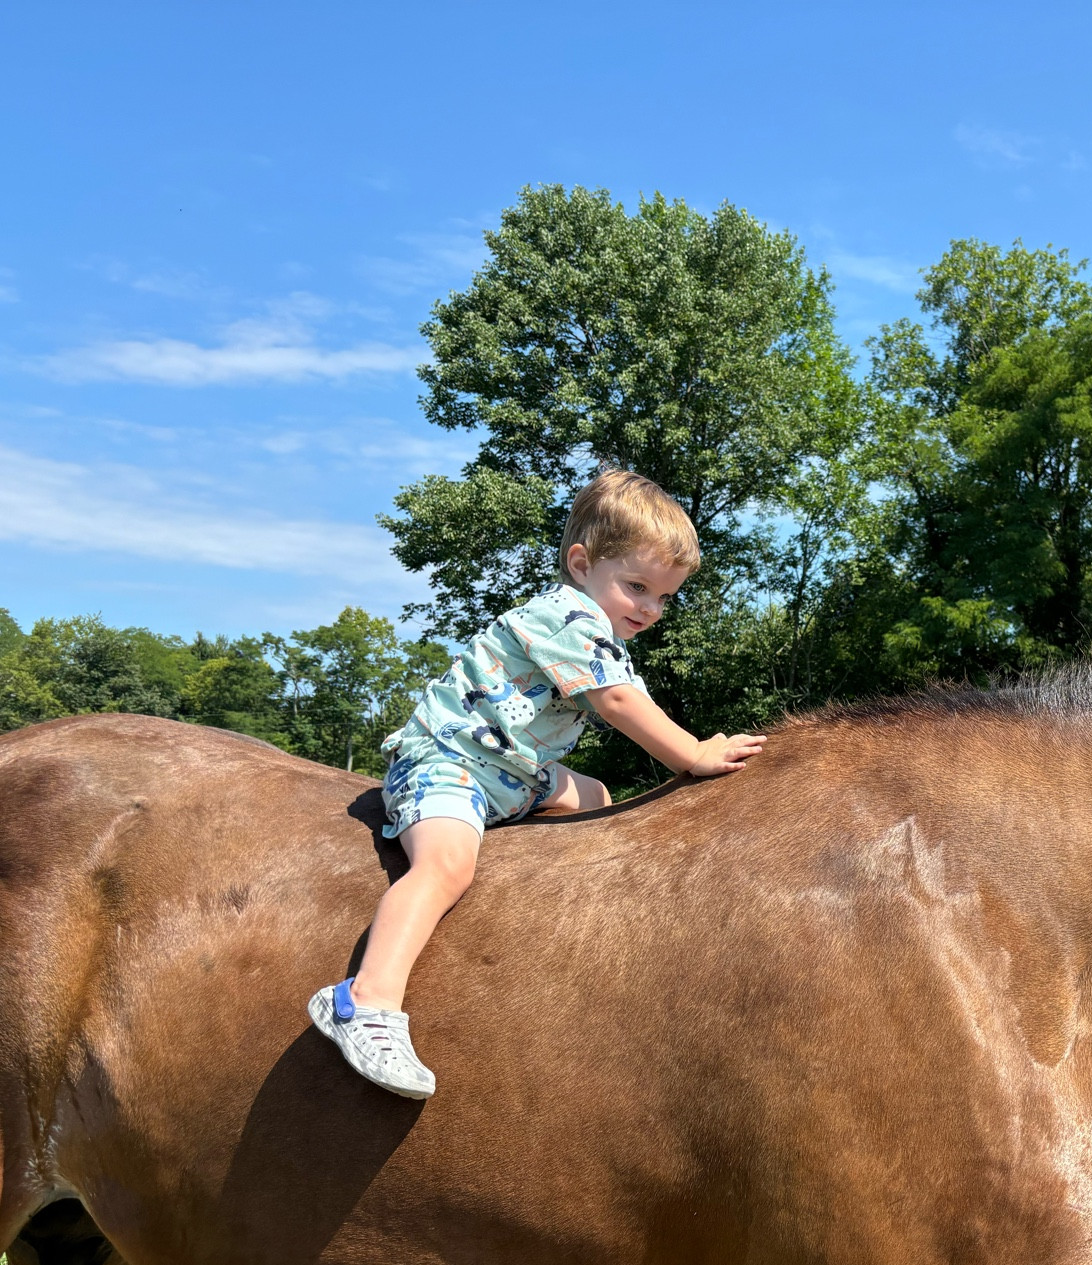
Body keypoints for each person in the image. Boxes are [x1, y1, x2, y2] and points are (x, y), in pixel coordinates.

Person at [309, 469, 765, 1098]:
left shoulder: (600, 627)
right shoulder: (565, 617)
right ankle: (365, 1001)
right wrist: (694, 754)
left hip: (517, 773)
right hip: (452, 761)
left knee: (599, 798)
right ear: (581, 564)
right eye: (637, 587)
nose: (650, 609)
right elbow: (619, 703)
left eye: (663, 598)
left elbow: (622, 693)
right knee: (445, 867)